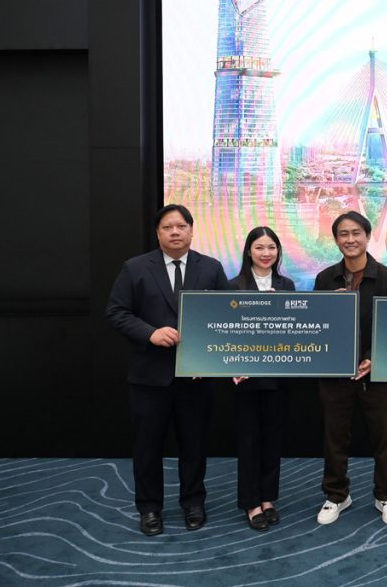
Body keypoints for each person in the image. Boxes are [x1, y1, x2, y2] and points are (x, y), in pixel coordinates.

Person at [105, 204, 228, 536]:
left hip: (196, 376)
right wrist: (150, 333)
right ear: (158, 233)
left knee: (194, 445)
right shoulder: (134, 268)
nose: (175, 232)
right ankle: (149, 508)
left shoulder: (211, 268)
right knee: (147, 448)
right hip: (149, 377)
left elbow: (226, 317)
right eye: (167, 227)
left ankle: (193, 502)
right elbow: (116, 312)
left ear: (191, 230)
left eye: (181, 226)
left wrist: (209, 359)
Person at [313, 212, 387, 526]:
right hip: (335, 374)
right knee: (334, 438)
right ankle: (336, 495)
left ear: (367, 236)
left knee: (384, 437)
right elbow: (316, 326)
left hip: (377, 372)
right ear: (336, 239)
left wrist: (374, 356)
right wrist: (329, 307)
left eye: (356, 233)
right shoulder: (325, 279)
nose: (350, 239)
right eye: (343, 234)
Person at [228, 226, 294, 532]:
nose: (266, 253)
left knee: (272, 438)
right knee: (249, 440)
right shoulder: (233, 286)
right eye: (259, 247)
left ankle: (268, 499)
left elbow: (295, 327)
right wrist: (232, 366)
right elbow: (225, 331)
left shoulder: (287, 285)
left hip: (277, 375)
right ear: (248, 251)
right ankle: (251, 502)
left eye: (271, 247)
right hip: (245, 378)